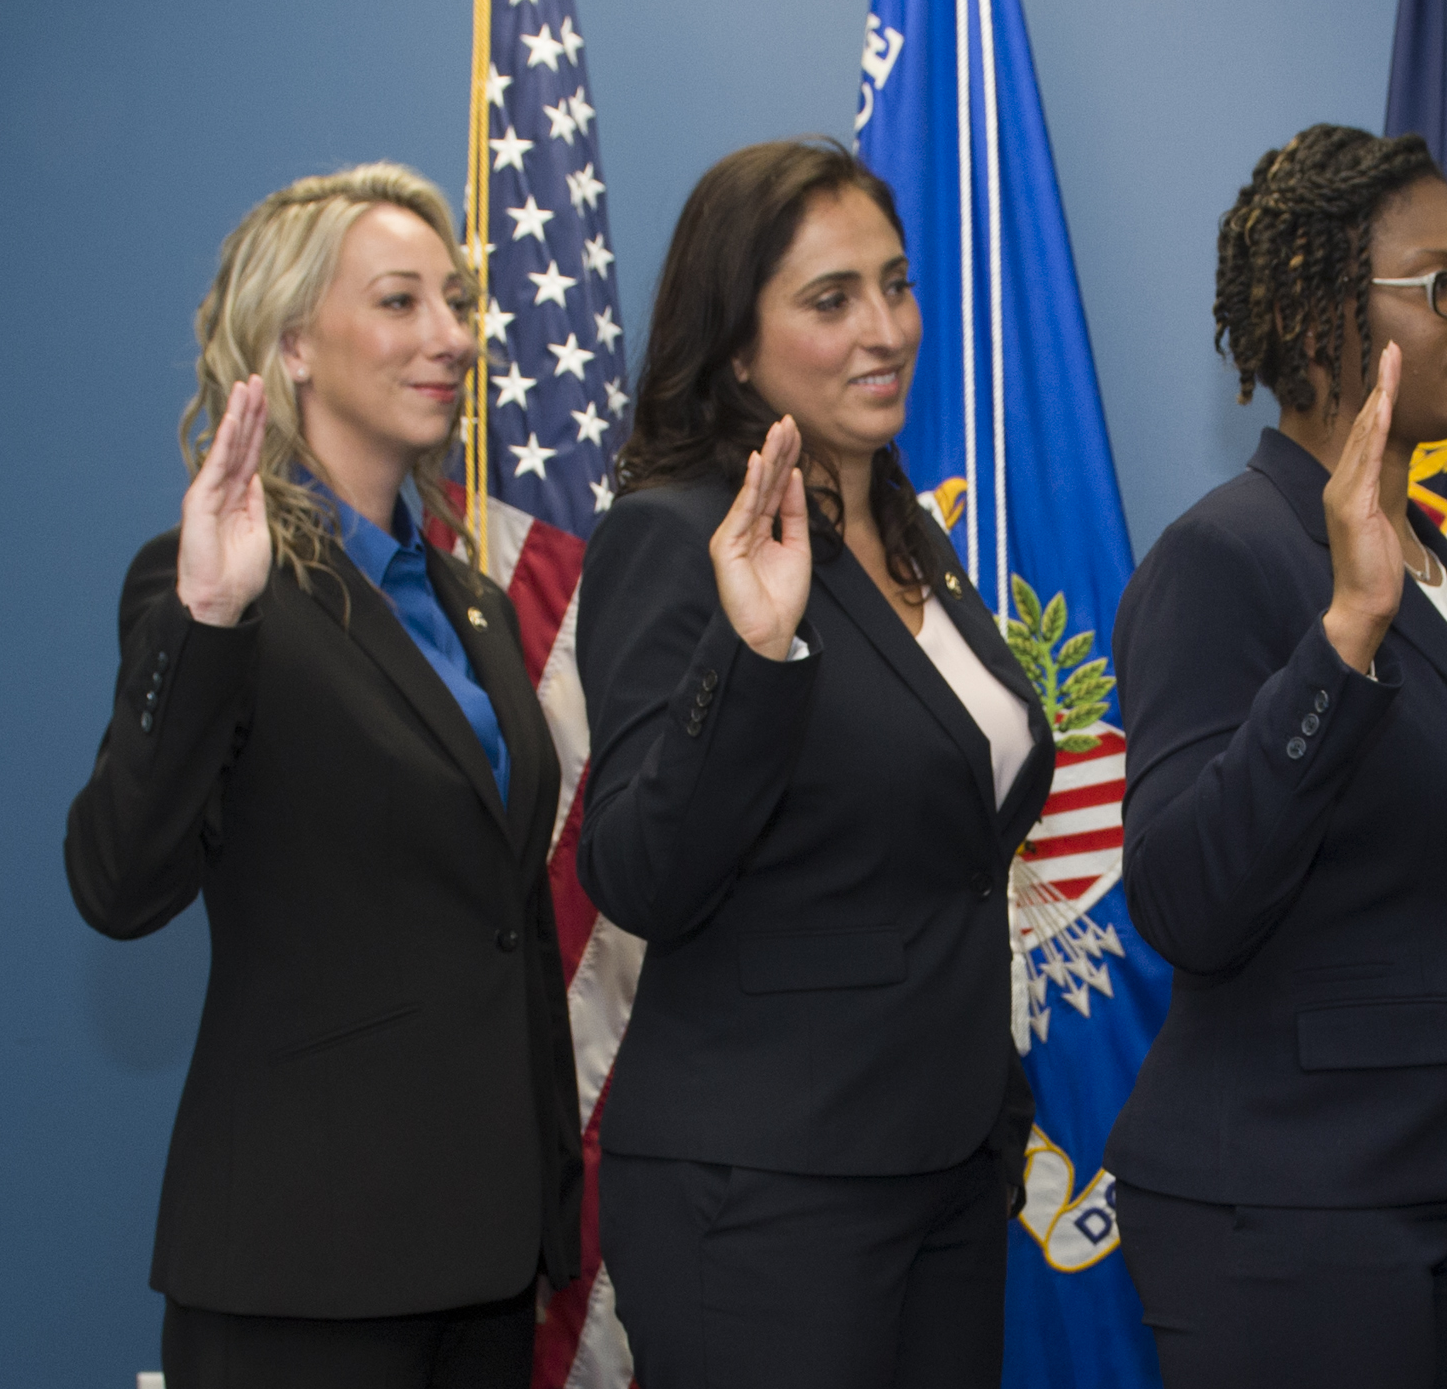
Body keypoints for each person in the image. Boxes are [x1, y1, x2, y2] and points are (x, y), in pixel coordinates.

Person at [65, 165, 581, 1388]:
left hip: (489, 1257)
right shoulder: (209, 584)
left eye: (455, 305)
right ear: (293, 342)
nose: (452, 339)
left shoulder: (467, 598)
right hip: (305, 1264)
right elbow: (119, 881)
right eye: (402, 303)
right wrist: (206, 615)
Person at [1107, 125, 1447, 1389]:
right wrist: (1342, 642)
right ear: (1319, 313)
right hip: (1286, 1213)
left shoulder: (1441, 554)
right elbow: (1184, 901)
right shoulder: (1221, 558)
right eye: (1445, 286)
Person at [575, 138, 1051, 1389]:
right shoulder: (676, 536)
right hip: (766, 1189)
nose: (883, 328)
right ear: (736, 345)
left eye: (893, 285)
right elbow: (640, 871)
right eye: (829, 299)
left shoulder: (908, 535)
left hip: (944, 1166)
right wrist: (757, 649)